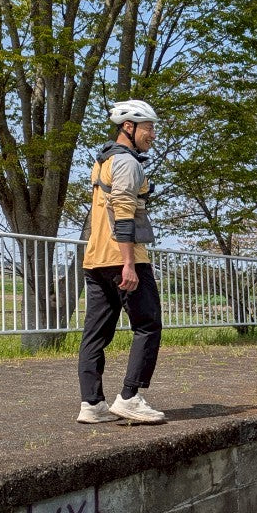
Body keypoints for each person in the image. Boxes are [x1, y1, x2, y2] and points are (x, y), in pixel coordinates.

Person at [76, 100, 167, 425]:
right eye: (148, 128)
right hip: (124, 258)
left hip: (95, 259)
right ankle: (130, 397)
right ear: (129, 127)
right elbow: (124, 214)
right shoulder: (127, 162)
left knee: (96, 333)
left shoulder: (104, 161)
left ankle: (92, 404)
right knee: (148, 325)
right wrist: (129, 264)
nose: (153, 134)